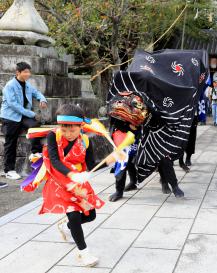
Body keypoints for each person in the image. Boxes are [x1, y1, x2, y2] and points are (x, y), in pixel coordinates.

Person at [32, 104, 123, 267]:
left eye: (72, 130)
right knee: (74, 215)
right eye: (64, 129)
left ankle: (66, 227)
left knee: (90, 215)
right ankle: (84, 253)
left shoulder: (86, 140)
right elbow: (54, 160)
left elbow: (91, 164)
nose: (67, 134)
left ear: (81, 126)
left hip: (78, 183)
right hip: (60, 181)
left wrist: (112, 158)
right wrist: (72, 174)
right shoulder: (54, 136)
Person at [1, 62, 47, 180]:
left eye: (29, 72)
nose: (28, 74)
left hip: (22, 116)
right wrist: (31, 113)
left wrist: (42, 99)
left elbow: (36, 93)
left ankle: (35, 152)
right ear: (18, 73)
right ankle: (9, 170)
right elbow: (13, 105)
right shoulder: (10, 85)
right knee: (11, 142)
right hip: (10, 116)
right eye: (25, 72)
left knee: (35, 125)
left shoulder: (26, 85)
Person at [108, 118, 139, 202]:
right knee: (121, 163)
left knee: (130, 161)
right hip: (121, 135)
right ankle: (119, 191)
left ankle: (133, 182)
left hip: (135, 134)